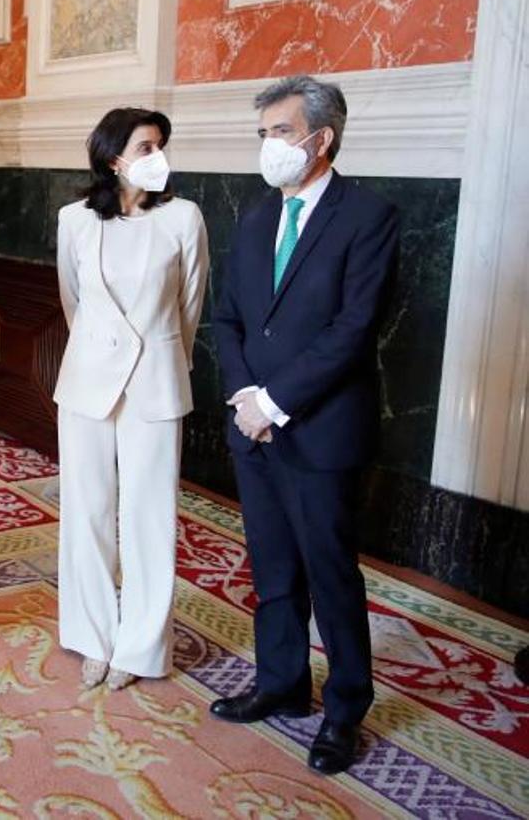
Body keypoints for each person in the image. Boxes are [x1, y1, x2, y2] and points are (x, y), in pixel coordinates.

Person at [210, 75, 399, 775]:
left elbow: (353, 329)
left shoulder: (368, 216)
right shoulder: (257, 215)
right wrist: (242, 398)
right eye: (262, 134)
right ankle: (282, 684)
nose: (268, 146)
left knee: (329, 574)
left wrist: (277, 401)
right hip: (252, 428)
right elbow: (228, 317)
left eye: (279, 132)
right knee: (274, 568)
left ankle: (345, 710)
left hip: (319, 432)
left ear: (320, 139)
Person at [53, 108, 208, 692]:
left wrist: (164, 358)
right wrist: (102, 349)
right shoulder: (74, 220)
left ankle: (142, 646)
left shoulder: (184, 219)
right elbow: (73, 302)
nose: (157, 155)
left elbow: (191, 306)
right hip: (88, 379)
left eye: (161, 145)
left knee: (149, 516)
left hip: (156, 381)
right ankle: (93, 637)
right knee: (86, 513)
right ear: (112, 156)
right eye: (145, 146)